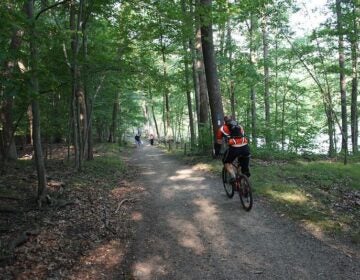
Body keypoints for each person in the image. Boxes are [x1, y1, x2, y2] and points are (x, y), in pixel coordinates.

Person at [214, 115, 251, 183]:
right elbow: (242, 136)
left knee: (226, 162)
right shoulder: (240, 126)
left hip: (234, 148)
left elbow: (219, 142)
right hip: (245, 148)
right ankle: (244, 182)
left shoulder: (222, 129)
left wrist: (217, 152)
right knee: (242, 164)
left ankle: (233, 176)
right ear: (232, 120)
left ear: (224, 121)